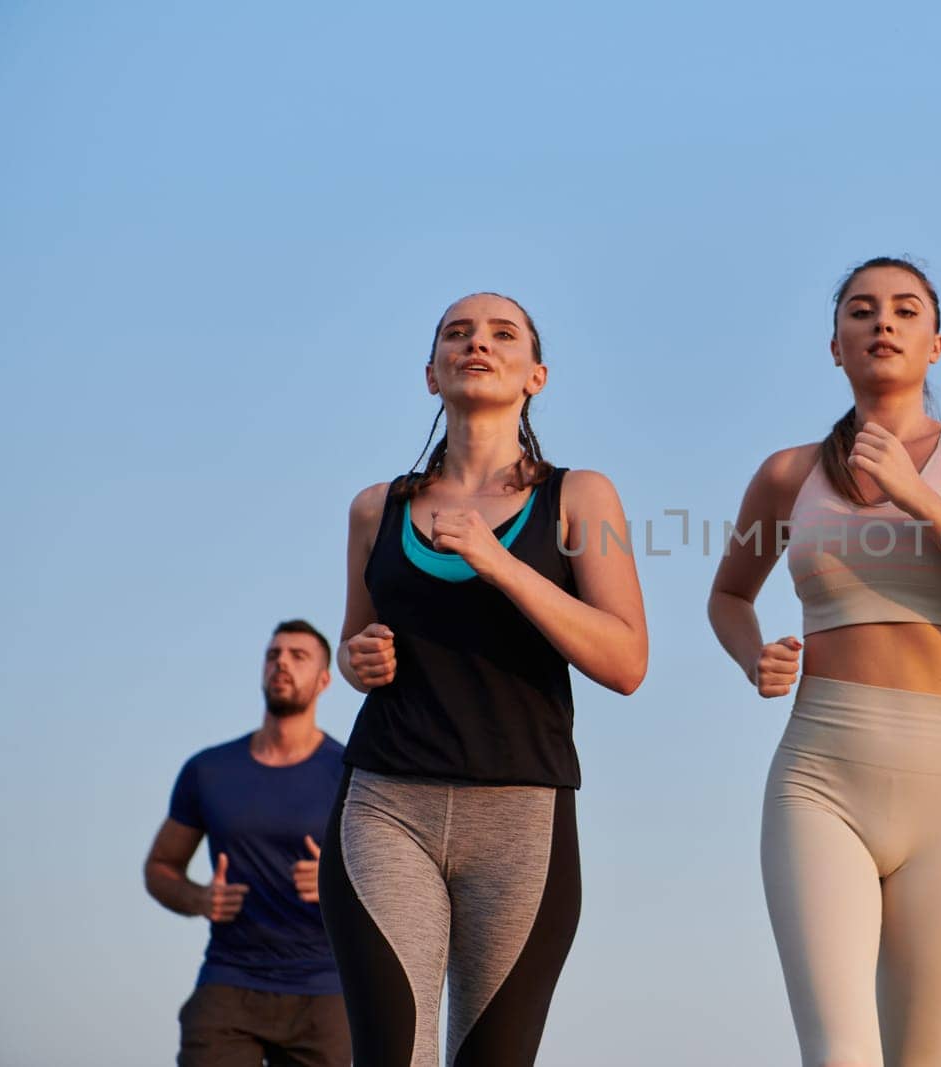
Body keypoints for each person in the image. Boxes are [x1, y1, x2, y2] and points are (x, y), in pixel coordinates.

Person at [708, 257, 941, 1066]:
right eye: (862, 312)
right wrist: (753, 653)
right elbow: (728, 596)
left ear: (936, 343)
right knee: (839, 1056)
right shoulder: (787, 475)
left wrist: (920, 496)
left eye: (905, 310)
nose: (883, 323)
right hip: (821, 779)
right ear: (836, 346)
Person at [319, 291, 648, 1067]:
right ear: (430, 375)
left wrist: (500, 563)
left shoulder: (581, 496)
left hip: (520, 816)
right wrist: (356, 658)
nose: (478, 344)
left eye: (503, 334)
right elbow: (351, 642)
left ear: (536, 374)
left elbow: (626, 660)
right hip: (385, 802)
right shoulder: (377, 507)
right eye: (457, 334)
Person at [144, 619, 350, 1067]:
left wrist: (338, 881)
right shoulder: (209, 771)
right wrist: (200, 898)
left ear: (324, 680)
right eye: (274, 654)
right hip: (228, 982)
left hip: (324, 992)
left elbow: (400, 880)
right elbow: (160, 866)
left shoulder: (351, 773)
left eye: (298, 656)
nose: (282, 663)